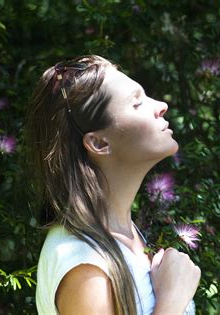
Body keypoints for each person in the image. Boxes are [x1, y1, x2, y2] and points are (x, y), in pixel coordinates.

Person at [25, 55, 200, 314]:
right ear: (99, 144)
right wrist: (173, 300)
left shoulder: (124, 238)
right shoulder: (84, 262)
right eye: (137, 103)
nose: (161, 105)